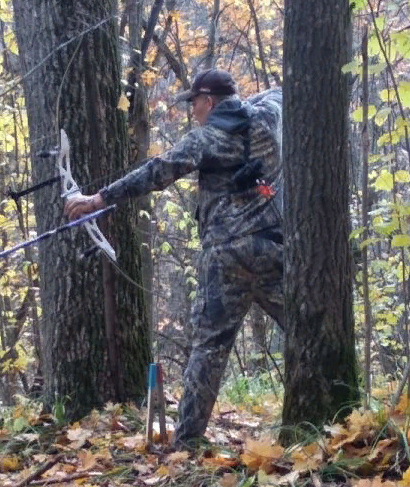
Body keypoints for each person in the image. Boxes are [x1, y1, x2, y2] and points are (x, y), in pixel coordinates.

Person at [64, 69, 284, 449]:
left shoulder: (206, 137)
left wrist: (97, 200)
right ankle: (337, 411)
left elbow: (157, 172)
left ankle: (186, 444)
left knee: (209, 348)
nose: (193, 111)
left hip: (226, 258)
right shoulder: (269, 116)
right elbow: (278, 93)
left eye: (195, 103)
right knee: (308, 328)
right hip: (273, 250)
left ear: (209, 102)